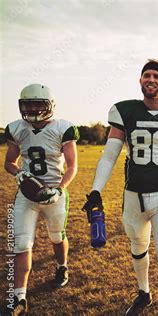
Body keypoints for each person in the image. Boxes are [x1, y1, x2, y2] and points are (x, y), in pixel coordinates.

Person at [82, 59, 158, 316]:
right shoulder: (125, 111)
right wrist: (95, 190)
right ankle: (144, 293)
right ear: (140, 81)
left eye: (156, 76)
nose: (151, 79)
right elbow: (109, 155)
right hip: (133, 196)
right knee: (138, 248)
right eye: (146, 75)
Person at [4, 84, 79, 315]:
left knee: (57, 237)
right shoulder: (16, 128)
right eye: (28, 104)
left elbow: (72, 166)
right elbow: (9, 162)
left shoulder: (63, 128)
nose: (33, 108)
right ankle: (19, 297)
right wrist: (19, 173)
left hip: (54, 193)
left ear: (49, 105)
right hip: (27, 195)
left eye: (38, 103)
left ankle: (61, 266)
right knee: (22, 243)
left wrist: (59, 189)